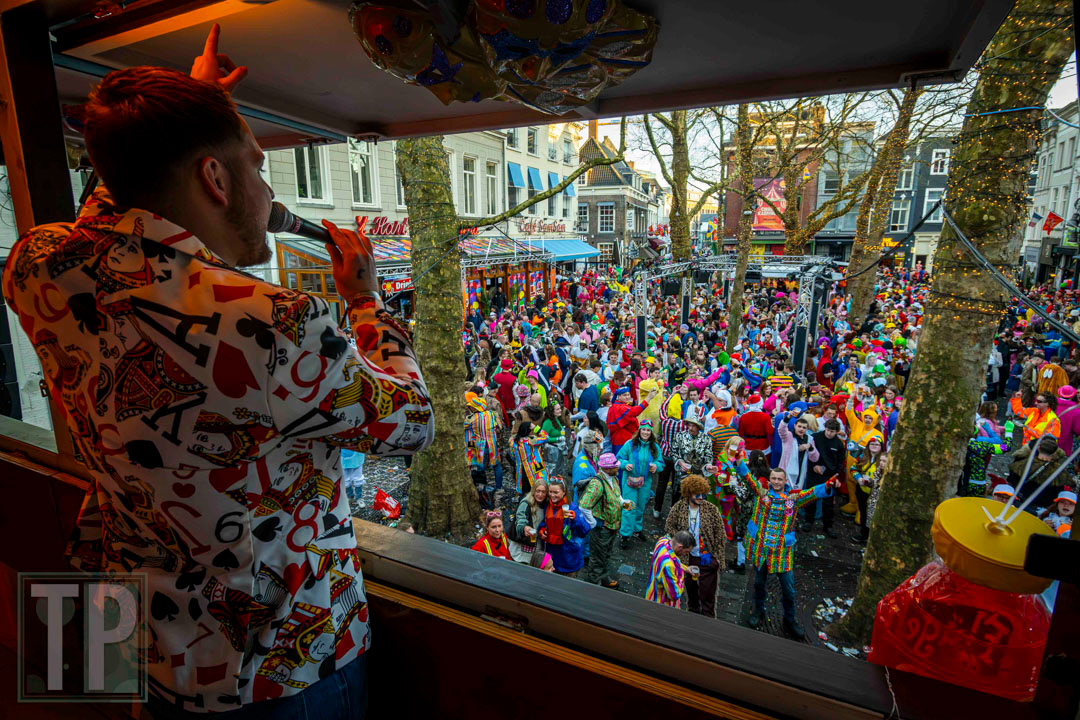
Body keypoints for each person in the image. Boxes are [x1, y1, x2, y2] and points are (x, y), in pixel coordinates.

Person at [2, 27, 435, 714]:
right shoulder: (276, 322)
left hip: (134, 637)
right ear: (213, 177)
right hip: (275, 667)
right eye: (258, 168)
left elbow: (115, 211)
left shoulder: (40, 264)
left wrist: (180, 115)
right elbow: (413, 421)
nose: (267, 191)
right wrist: (365, 303)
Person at [746, 469, 840, 638]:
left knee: (788, 589)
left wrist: (827, 486)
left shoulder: (793, 498)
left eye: (779, 479)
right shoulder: (762, 492)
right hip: (762, 550)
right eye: (774, 478)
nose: (776, 482)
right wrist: (738, 460)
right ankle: (758, 611)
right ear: (770, 480)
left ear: (785, 481)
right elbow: (747, 477)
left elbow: (811, 493)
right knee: (759, 583)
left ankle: (790, 619)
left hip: (782, 552)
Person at [665, 475, 725, 618]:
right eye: (697, 494)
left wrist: (717, 559)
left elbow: (720, 534)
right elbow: (669, 526)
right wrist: (681, 539)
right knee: (691, 595)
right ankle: (692, 620)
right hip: (687, 559)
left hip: (706, 559)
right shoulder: (678, 508)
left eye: (703, 494)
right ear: (689, 493)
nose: (701, 497)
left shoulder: (711, 509)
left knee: (708, 596)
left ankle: (708, 622)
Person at [579, 453, 625, 588]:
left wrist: (623, 502)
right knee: (598, 558)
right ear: (607, 468)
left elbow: (617, 495)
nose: (618, 468)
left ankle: (604, 578)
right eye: (615, 466)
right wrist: (593, 523)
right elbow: (584, 506)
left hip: (612, 526)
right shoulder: (597, 484)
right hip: (602, 529)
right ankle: (593, 585)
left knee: (606, 554)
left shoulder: (613, 478)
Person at [616, 420, 664, 544]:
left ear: (651, 432)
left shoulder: (654, 447)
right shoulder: (629, 444)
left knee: (641, 507)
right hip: (629, 482)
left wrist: (656, 466)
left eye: (648, 430)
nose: (645, 432)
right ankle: (625, 534)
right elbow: (618, 459)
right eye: (643, 429)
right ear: (639, 430)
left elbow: (660, 463)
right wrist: (625, 464)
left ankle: (637, 530)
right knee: (628, 507)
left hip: (645, 483)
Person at [539, 478, 592, 576]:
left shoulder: (572, 508)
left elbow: (584, 530)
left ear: (564, 492)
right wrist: (542, 530)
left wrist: (575, 519)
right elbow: (544, 523)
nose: (552, 495)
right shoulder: (548, 505)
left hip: (569, 559)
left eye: (556, 492)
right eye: (550, 492)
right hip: (553, 559)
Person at [802, 418, 844, 537]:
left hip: (829, 475)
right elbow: (808, 453)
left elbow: (840, 462)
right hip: (814, 472)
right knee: (811, 497)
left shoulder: (839, 444)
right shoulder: (816, 437)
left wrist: (836, 475)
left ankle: (828, 525)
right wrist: (813, 466)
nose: (829, 433)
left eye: (832, 431)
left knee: (828, 503)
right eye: (828, 430)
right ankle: (808, 521)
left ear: (837, 432)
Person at [646, 531, 695, 608]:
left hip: (651, 593)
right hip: (661, 605)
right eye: (686, 551)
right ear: (680, 547)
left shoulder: (662, 541)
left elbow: (673, 561)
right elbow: (674, 595)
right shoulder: (668, 566)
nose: (686, 554)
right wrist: (681, 575)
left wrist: (686, 568)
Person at [851, 436, 885, 545]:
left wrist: (873, 482)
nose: (874, 446)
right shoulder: (862, 456)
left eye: (877, 444)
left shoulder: (884, 460)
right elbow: (853, 468)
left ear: (881, 447)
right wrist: (859, 478)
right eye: (872, 444)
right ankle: (863, 534)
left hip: (875, 494)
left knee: (873, 516)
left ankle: (871, 537)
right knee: (863, 512)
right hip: (862, 490)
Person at [508, 479, 548, 563]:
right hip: (521, 549)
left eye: (543, 492)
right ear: (533, 491)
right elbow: (520, 519)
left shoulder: (546, 505)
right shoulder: (526, 503)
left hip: (536, 547)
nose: (540, 494)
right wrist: (524, 528)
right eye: (538, 491)